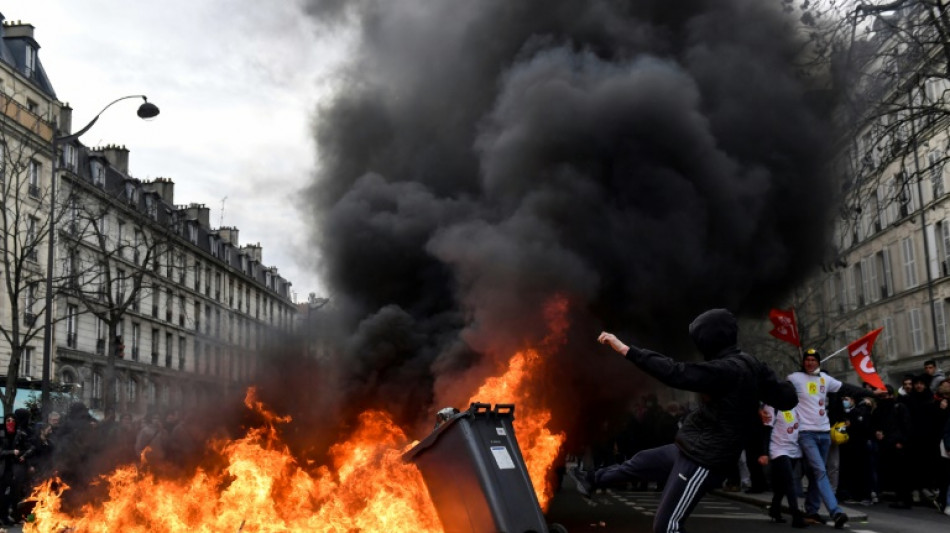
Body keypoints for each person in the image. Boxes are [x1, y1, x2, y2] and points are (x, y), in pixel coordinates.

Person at [572, 308, 798, 533]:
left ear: (710, 339)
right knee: (640, 462)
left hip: (704, 458)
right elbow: (787, 398)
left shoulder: (725, 369)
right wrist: (777, 385)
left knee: (667, 526)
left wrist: (625, 350)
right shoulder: (751, 364)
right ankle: (592, 479)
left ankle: (593, 479)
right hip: (690, 447)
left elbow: (675, 372)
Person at [788, 348, 880, 528]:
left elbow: (847, 388)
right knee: (821, 471)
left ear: (818, 362)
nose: (810, 362)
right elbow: (779, 393)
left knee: (816, 475)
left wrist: (871, 393)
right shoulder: (794, 378)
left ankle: (812, 510)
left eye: (814, 359)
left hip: (824, 433)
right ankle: (836, 511)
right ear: (803, 362)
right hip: (806, 434)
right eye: (807, 359)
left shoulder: (825, 379)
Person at [759, 404, 807, 528]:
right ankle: (796, 516)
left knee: (782, 484)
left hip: (794, 450)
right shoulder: (772, 408)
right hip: (778, 450)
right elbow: (766, 431)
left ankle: (774, 510)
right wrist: (764, 453)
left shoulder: (797, 407)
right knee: (789, 481)